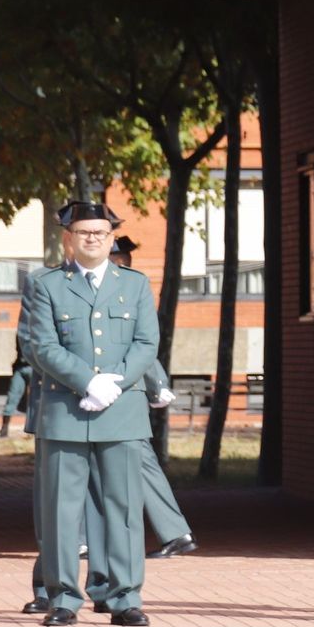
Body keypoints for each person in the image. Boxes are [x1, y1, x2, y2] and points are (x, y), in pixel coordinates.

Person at [25, 200, 159, 627]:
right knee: (61, 510)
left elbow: (146, 344)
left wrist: (113, 383)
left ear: (111, 237)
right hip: (65, 411)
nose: (93, 239)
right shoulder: (45, 284)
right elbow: (39, 346)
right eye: (84, 232)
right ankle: (63, 597)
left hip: (121, 410)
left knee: (123, 507)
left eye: (101, 232)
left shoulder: (135, 284)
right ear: (68, 238)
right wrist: (88, 381)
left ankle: (124, 597)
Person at [109, 234, 199, 561]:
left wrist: (157, 382)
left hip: (121, 393)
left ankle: (81, 538)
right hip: (119, 392)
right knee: (136, 463)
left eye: (122, 257)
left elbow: (141, 345)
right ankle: (176, 532)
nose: (122, 262)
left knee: (103, 462)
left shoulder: (125, 290)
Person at [0, 348, 33, 437]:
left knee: (37, 400)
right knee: (12, 396)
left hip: (34, 367)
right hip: (20, 367)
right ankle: (4, 429)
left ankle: (34, 430)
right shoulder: (20, 334)